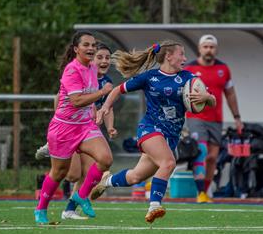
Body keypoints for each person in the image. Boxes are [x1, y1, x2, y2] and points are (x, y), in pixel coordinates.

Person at [91, 40, 216, 223]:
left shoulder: (189, 78)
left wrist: (207, 97)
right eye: (181, 54)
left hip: (171, 136)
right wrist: (104, 108)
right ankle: (154, 206)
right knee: (168, 162)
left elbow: (211, 101)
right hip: (150, 129)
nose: (185, 58)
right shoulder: (150, 77)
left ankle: (106, 181)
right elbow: (118, 90)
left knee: (135, 176)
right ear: (168, 56)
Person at [34, 31, 113, 224]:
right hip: (64, 128)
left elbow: (89, 94)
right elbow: (77, 100)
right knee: (61, 173)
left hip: (85, 126)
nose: (91, 48)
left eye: (93, 45)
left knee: (105, 159)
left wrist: (95, 108)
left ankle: (81, 196)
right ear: (76, 49)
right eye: (86, 45)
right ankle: (41, 209)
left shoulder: (93, 68)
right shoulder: (71, 70)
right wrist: (103, 92)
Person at [60, 42, 118, 220]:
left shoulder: (107, 82)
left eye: (107, 58)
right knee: (72, 174)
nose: (104, 61)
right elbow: (62, 99)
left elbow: (108, 108)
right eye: (99, 57)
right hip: (69, 129)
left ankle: (69, 210)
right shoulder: (80, 74)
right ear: (91, 58)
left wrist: (109, 127)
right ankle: (54, 160)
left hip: (87, 132)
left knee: (86, 174)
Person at [184, 34, 243, 202]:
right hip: (196, 117)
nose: (209, 50)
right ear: (199, 48)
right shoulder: (189, 69)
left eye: (212, 47)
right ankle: (200, 192)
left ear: (216, 49)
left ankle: (206, 190)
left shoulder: (223, 69)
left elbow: (230, 94)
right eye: (205, 47)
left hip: (216, 119)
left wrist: (237, 117)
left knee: (212, 158)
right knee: (201, 152)